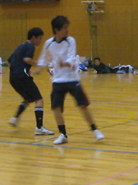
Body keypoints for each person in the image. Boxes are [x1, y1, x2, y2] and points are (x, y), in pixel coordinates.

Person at [34, 16, 104, 145]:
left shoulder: (70, 41)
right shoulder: (49, 43)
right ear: (57, 29)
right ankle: (63, 134)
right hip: (58, 80)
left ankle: (95, 130)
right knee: (56, 108)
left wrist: (65, 63)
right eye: (64, 28)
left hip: (72, 79)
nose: (67, 30)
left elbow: (72, 57)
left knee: (83, 105)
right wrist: (38, 69)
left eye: (67, 27)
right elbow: (44, 58)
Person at [7, 28, 53, 135]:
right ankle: (39, 128)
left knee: (28, 99)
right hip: (22, 77)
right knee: (39, 100)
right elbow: (27, 59)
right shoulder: (30, 46)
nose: (40, 41)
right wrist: (39, 64)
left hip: (13, 78)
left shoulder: (20, 46)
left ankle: (15, 118)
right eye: (39, 38)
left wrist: (21, 68)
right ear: (33, 38)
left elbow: (9, 62)